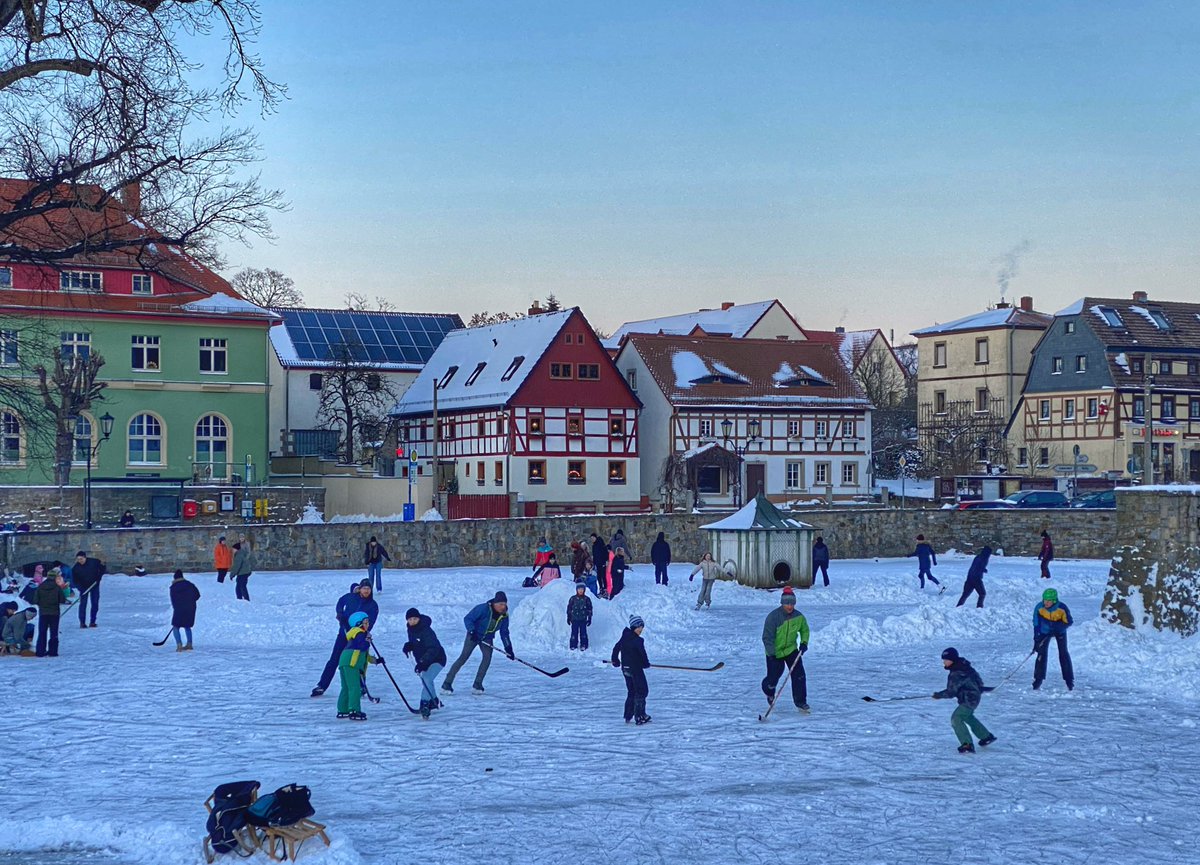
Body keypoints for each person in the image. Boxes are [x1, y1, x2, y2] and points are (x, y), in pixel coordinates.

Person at [441, 591, 513, 695]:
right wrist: (472, 631)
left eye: (505, 604)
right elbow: (468, 619)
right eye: (501, 604)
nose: (503, 607)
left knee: (487, 658)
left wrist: (508, 648)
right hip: (473, 635)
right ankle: (447, 683)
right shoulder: (483, 608)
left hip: (487, 638)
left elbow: (504, 633)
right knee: (463, 657)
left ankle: (477, 684)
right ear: (495, 604)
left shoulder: (504, 615)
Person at [932, 647, 996, 754]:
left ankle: (967, 744)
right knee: (967, 716)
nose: (944, 662)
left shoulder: (956, 673)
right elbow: (978, 680)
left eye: (946, 660)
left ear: (952, 659)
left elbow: (951, 692)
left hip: (968, 699)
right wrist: (979, 688)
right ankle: (986, 736)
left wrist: (938, 695)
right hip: (974, 697)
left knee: (956, 718)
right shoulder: (965, 666)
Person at [312, 582, 368, 697]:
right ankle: (322, 685)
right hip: (343, 635)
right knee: (334, 660)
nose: (358, 591)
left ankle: (361, 686)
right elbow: (340, 602)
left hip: (358, 636)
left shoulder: (366, 602)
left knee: (357, 661)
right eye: (356, 589)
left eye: (360, 589)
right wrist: (340, 614)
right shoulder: (348, 598)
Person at [761, 587, 810, 712]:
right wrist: (772, 653)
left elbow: (804, 629)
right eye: (787, 603)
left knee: (799, 675)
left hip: (790, 650)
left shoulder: (798, 617)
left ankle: (801, 702)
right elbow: (767, 637)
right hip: (774, 652)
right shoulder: (773, 617)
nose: (790, 606)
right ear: (782, 603)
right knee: (773, 677)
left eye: (792, 603)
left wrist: (804, 643)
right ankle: (769, 691)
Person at [403, 607, 447, 719]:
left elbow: (433, 648)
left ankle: (424, 704)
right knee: (427, 680)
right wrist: (409, 645)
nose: (412, 621)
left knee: (427, 678)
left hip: (437, 658)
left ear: (419, 618)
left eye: (414, 619)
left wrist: (422, 662)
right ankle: (434, 700)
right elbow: (418, 643)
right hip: (424, 660)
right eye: (410, 619)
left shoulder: (426, 630)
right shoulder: (411, 629)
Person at [338, 611, 379, 721]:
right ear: (358, 624)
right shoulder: (359, 632)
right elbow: (362, 646)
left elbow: (364, 654)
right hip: (352, 663)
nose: (367, 624)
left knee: (346, 687)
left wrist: (376, 660)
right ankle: (354, 710)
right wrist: (367, 640)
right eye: (365, 622)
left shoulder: (354, 634)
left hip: (344, 661)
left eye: (368, 622)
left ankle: (342, 710)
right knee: (354, 687)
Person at [611, 615, 651, 724]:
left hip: (625, 669)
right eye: (639, 627)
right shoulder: (637, 640)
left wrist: (615, 660)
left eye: (642, 628)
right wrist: (646, 664)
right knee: (642, 691)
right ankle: (640, 715)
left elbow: (616, 648)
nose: (641, 630)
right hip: (635, 669)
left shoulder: (625, 636)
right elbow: (642, 654)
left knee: (632, 691)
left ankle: (628, 715)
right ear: (634, 627)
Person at [1032, 588, 1074, 691]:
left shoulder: (1062, 608)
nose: (1046, 602)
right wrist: (1036, 639)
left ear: (1054, 600)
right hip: (1044, 632)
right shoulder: (1039, 607)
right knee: (1041, 654)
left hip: (1059, 632)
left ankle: (1069, 679)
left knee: (1063, 653)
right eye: (1045, 600)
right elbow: (1036, 624)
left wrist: (1057, 628)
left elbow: (1069, 622)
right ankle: (1038, 679)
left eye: (1049, 600)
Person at [35, 570, 72, 657]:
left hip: (43, 613)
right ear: (55, 577)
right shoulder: (57, 587)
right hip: (54, 613)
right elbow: (62, 600)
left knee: (42, 632)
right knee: (53, 633)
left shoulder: (40, 586)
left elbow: (35, 600)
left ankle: (40, 651)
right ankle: (53, 652)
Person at [169, 569, 201, 652]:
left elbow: (173, 600)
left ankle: (179, 645)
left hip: (179, 608)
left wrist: (177, 607)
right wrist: (190, 601)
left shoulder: (173, 587)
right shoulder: (190, 585)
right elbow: (197, 595)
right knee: (187, 626)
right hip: (190, 608)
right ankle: (189, 644)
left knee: (176, 627)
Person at [71, 551, 105, 628]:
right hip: (83, 587)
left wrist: (99, 577)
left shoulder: (94, 562)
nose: (80, 561)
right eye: (78, 559)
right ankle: (82, 622)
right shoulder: (76, 568)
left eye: (81, 559)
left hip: (94, 585)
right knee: (83, 604)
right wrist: (79, 588)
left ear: (85, 557)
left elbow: (102, 567)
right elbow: (74, 581)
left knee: (95, 603)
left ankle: (92, 621)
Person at [567, 582, 592, 651]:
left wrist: (589, 618)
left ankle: (584, 644)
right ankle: (573, 645)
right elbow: (569, 608)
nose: (580, 591)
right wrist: (569, 617)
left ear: (584, 590)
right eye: (579, 589)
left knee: (583, 633)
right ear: (576, 590)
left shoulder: (587, 599)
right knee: (574, 633)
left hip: (583, 620)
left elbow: (589, 609)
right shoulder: (573, 599)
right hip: (574, 619)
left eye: (582, 589)